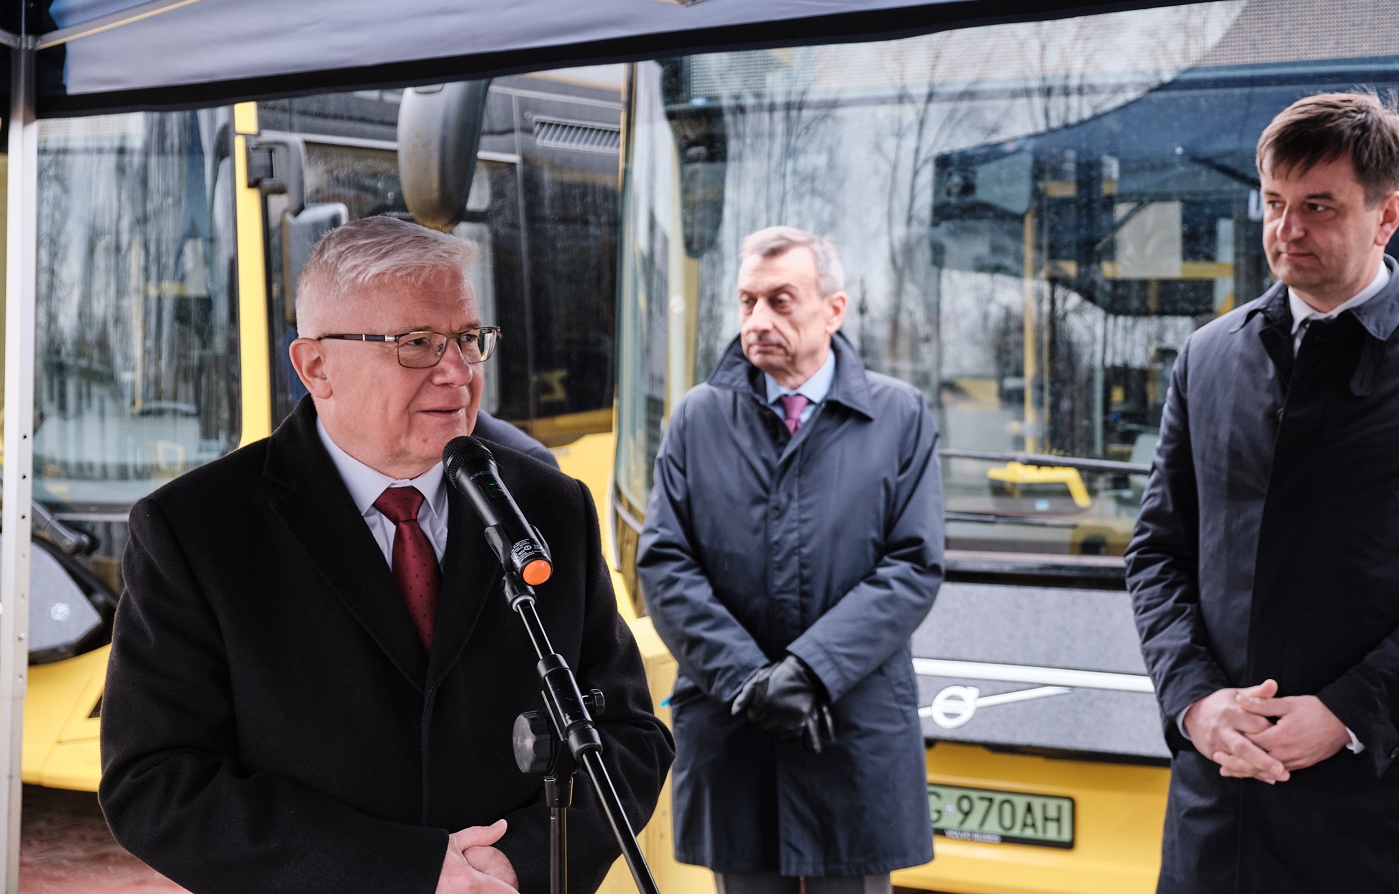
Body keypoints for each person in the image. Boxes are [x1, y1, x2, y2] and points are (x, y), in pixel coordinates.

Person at [99, 216, 673, 894]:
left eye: (467, 338)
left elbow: (629, 735)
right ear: (316, 367)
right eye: (416, 344)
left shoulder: (551, 508)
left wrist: (515, 861)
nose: (457, 372)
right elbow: (156, 781)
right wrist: (407, 870)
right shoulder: (195, 529)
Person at [1125, 92, 1399, 892]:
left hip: (1391, 813)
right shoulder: (1205, 357)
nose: (1286, 231)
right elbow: (1156, 553)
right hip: (1224, 807)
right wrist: (1194, 702)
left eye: (1317, 207)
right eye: (1274, 204)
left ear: (1386, 217)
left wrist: (1349, 711)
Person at [636, 226, 944, 894]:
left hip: (850, 729)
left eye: (781, 300)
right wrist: (750, 680)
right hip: (734, 726)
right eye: (746, 302)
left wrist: (809, 671)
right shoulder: (697, 418)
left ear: (833, 309)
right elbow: (663, 563)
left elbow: (911, 565)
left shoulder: (898, 416)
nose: (758, 320)